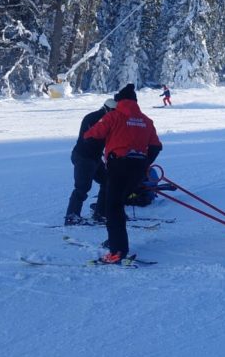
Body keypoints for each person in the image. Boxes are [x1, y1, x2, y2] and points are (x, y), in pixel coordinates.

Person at [82, 84, 162, 264]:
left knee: (113, 207)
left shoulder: (114, 116)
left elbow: (90, 136)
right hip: (138, 168)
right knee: (118, 204)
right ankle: (115, 240)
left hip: (119, 165)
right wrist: (144, 163)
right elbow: (156, 146)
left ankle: (118, 250)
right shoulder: (146, 120)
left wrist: (97, 155)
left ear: (119, 102)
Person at [65, 98, 115, 225]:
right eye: (114, 111)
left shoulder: (104, 119)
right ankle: (72, 216)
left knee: (107, 181)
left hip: (94, 157)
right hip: (84, 157)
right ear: (108, 109)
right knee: (82, 187)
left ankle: (100, 213)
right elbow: (90, 139)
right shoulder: (94, 118)